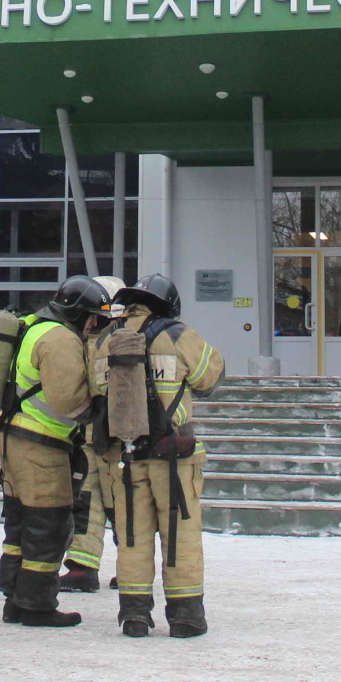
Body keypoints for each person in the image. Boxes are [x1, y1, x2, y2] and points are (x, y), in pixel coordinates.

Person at [105, 273, 225, 639]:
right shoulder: (177, 334)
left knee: (132, 538)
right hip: (174, 456)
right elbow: (210, 376)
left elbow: (96, 389)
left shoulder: (109, 339)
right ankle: (186, 617)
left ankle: (135, 616)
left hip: (126, 457)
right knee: (180, 536)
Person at [0, 274, 108, 628]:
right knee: (50, 525)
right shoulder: (61, 339)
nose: (95, 325)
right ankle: (37, 605)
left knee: (20, 524)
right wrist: (100, 407)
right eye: (92, 317)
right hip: (41, 446)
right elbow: (67, 400)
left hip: (15, 439)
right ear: (77, 313)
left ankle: (15, 599)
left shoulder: (34, 327)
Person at [63, 276, 126, 594]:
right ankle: (81, 567)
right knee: (87, 501)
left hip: (114, 440)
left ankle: (130, 567)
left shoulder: (120, 340)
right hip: (89, 437)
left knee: (121, 505)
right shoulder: (85, 337)